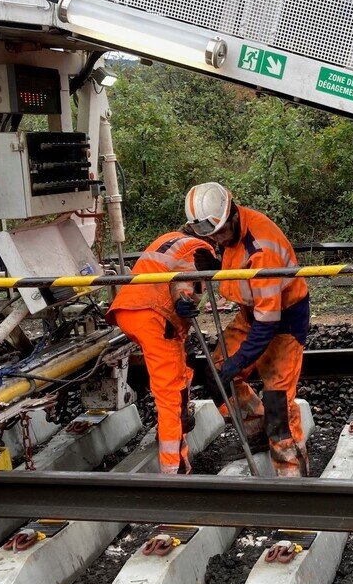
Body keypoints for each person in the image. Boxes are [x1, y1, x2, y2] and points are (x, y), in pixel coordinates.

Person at [183, 182, 311, 477]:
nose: (217, 239)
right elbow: (242, 275)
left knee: (279, 405)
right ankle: (256, 429)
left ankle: (294, 479)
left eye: (219, 234)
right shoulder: (230, 231)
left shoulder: (261, 249)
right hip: (254, 312)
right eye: (210, 236)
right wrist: (215, 264)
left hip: (284, 320)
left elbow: (268, 323)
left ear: (232, 215)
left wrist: (239, 362)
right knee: (217, 374)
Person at [106, 215, 223, 474]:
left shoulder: (169, 239)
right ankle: (174, 469)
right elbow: (185, 279)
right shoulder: (198, 247)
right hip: (155, 316)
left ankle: (180, 416)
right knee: (170, 393)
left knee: (180, 369)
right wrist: (185, 298)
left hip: (131, 309)